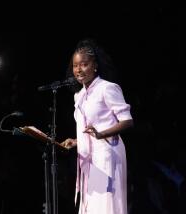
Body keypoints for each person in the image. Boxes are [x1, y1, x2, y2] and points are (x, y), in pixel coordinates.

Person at [60, 38, 134, 214]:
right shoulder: (79, 96)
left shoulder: (107, 88)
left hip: (107, 154)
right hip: (88, 157)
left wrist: (102, 134)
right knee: (93, 207)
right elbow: (91, 130)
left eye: (84, 64)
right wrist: (77, 141)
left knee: (105, 206)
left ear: (95, 66)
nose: (78, 70)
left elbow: (127, 121)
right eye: (75, 66)